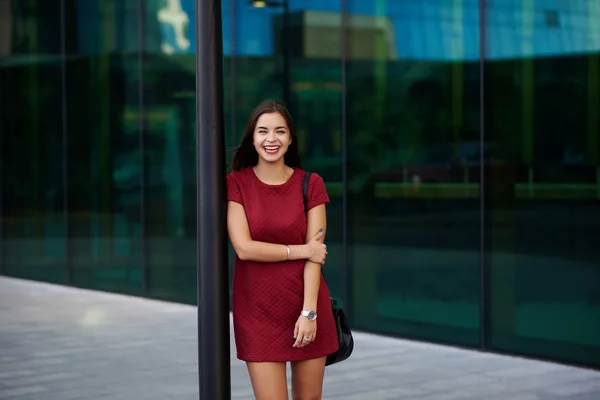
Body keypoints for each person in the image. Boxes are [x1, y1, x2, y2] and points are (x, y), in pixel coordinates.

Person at [226, 99, 339, 400]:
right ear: (252, 138)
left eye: (280, 131)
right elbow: (244, 248)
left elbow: (316, 260)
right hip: (257, 312)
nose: (271, 139)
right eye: (263, 131)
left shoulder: (311, 184)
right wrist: (300, 251)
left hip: (306, 306)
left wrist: (310, 313)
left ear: (290, 138)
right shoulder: (235, 184)